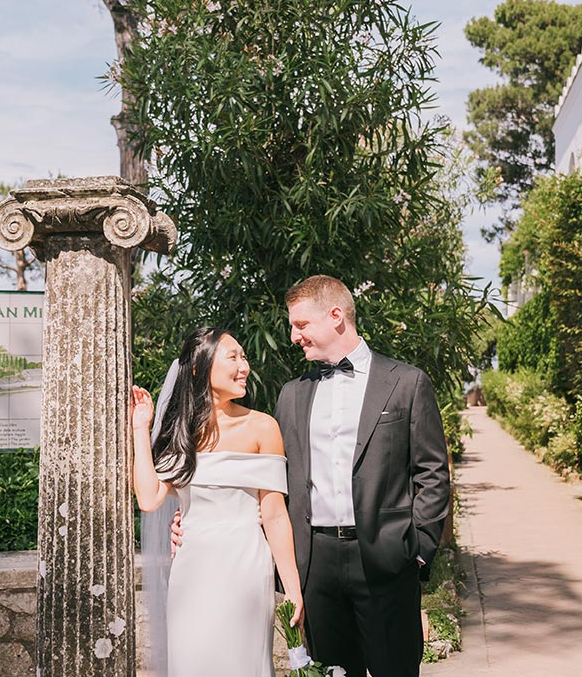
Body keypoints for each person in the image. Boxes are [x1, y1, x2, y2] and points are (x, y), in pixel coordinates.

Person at [173, 276, 450, 677]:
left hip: (387, 560)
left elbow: (432, 473)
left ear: (336, 316)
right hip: (315, 563)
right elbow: (263, 478)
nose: (292, 336)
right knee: (330, 672)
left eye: (300, 325)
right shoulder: (292, 394)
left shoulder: (406, 383)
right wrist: (192, 515)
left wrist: (418, 550)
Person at [131, 326, 303, 677]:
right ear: (199, 368)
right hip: (192, 570)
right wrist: (139, 429)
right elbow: (149, 499)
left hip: (247, 567)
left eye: (244, 356)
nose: (245, 366)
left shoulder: (263, 427)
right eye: (233, 357)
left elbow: (274, 515)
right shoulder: (178, 432)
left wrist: (294, 589)